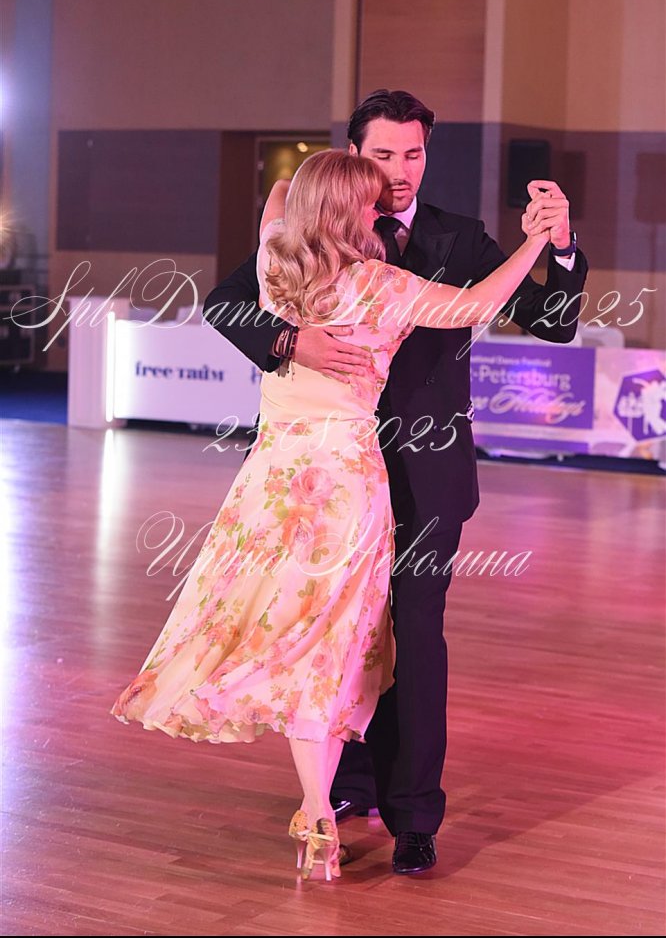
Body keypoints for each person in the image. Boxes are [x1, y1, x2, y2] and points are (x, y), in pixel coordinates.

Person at [110, 148, 559, 883]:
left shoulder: (274, 268)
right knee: (330, 649)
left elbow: (278, 202)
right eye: (370, 200)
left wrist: (317, 187)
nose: (382, 209)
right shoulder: (381, 285)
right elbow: (479, 304)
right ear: (348, 212)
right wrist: (536, 240)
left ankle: (318, 809)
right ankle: (320, 810)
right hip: (345, 487)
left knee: (283, 638)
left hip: (272, 485)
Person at [200, 91, 590, 875]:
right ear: (354, 155)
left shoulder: (458, 237)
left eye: (414, 153)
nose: (401, 170)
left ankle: (414, 815)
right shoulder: (308, 234)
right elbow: (225, 305)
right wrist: (293, 341)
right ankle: (348, 786)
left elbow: (551, 321)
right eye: (384, 155)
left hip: (426, 476)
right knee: (335, 636)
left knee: (414, 636)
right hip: (325, 481)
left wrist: (562, 246)